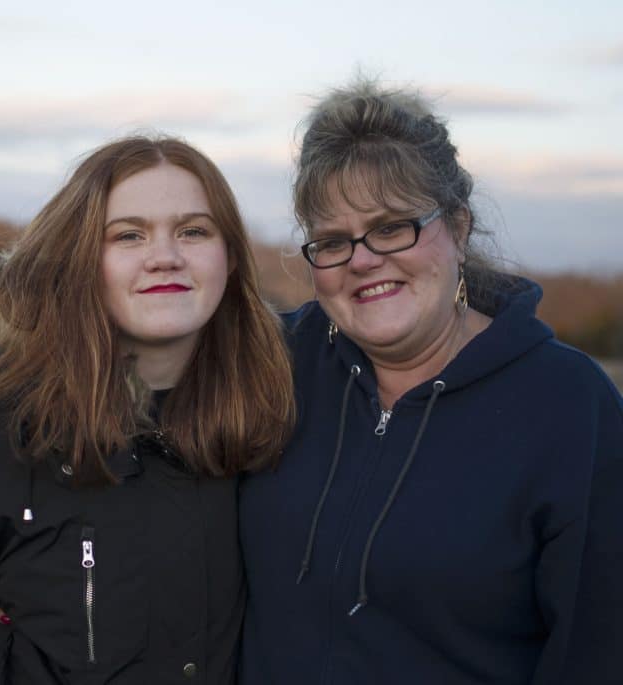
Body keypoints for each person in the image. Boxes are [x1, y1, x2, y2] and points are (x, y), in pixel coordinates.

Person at [0, 135, 296, 683]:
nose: (165, 256)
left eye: (193, 231)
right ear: (81, 258)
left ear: (230, 258)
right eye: (128, 235)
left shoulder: (266, 414)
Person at [239, 78, 623, 684]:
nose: (363, 259)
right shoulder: (268, 367)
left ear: (460, 227)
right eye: (334, 242)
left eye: (392, 227)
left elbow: (597, 653)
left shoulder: (570, 407)